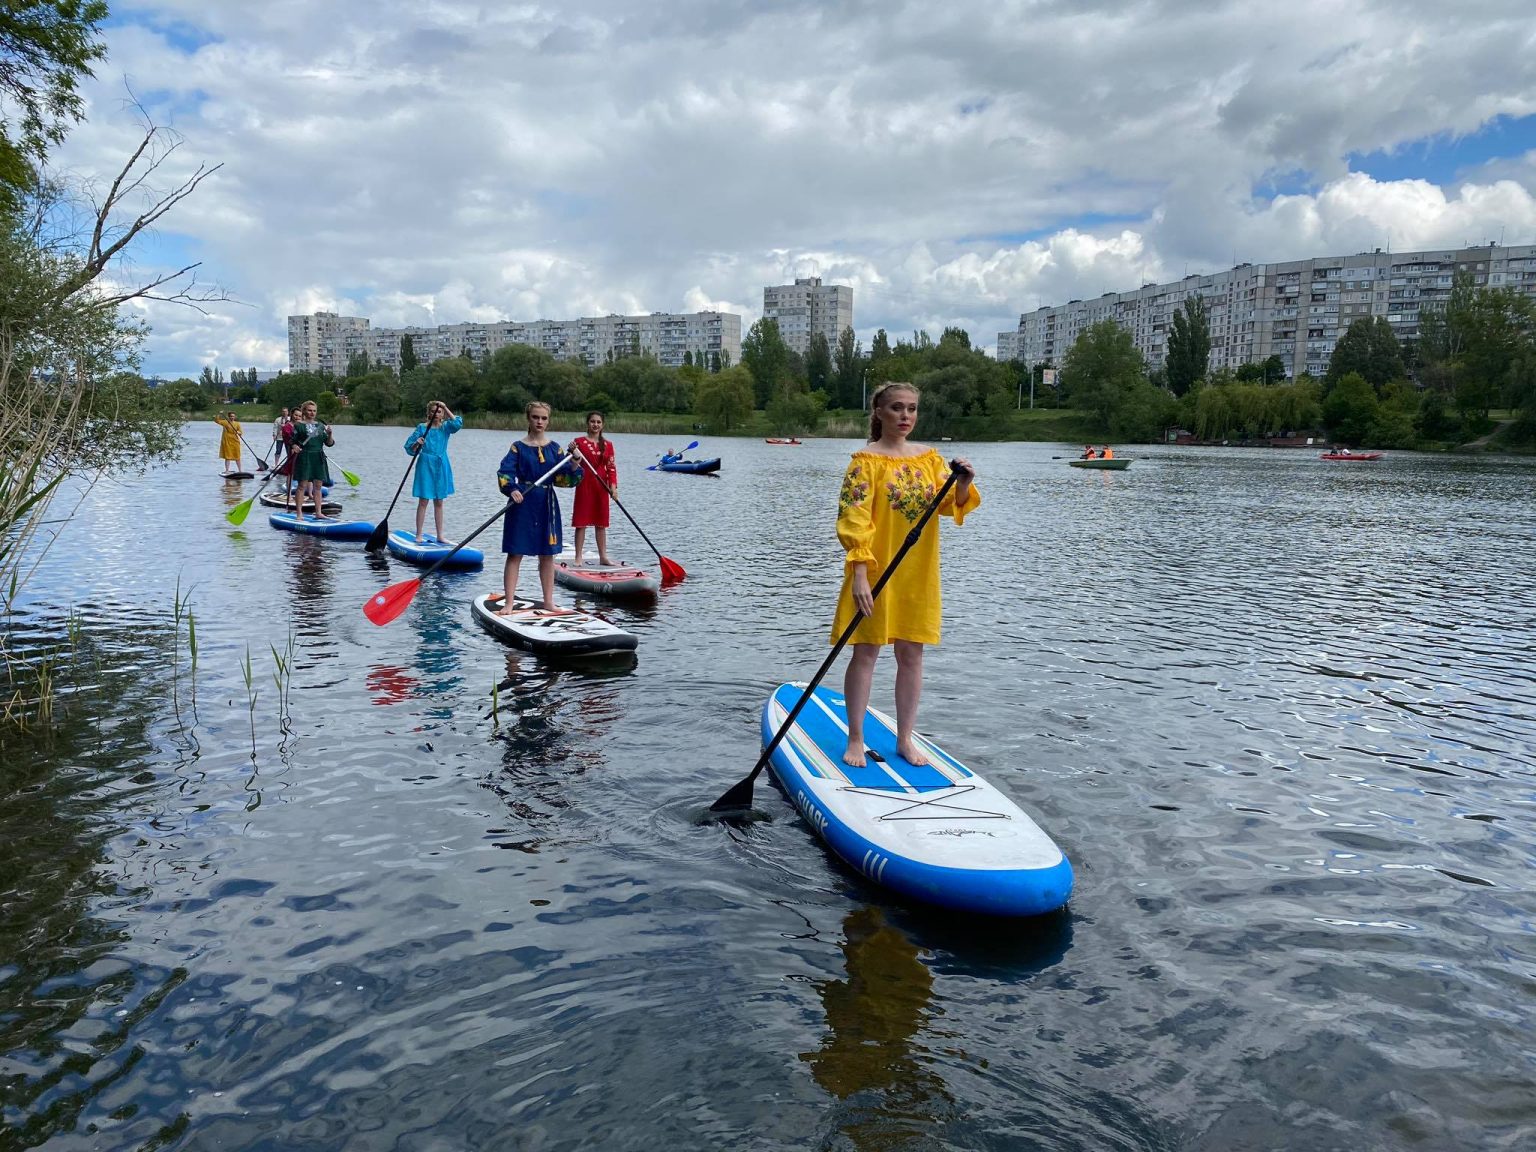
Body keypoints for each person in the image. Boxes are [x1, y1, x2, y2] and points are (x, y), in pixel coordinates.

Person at [832, 382, 978, 769]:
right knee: (866, 652)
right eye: (897, 408)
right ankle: (856, 738)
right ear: (878, 412)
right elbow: (853, 518)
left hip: (918, 570)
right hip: (876, 568)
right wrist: (860, 573)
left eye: (912, 409)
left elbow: (950, 506)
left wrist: (963, 481)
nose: (905, 416)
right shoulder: (864, 461)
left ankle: (905, 739)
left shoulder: (929, 459)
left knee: (912, 653)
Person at [496, 401, 581, 614]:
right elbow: (505, 472)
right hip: (522, 502)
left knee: (547, 554)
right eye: (535, 417)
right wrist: (512, 489)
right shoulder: (518, 447)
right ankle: (509, 602)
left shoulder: (555, 449)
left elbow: (565, 480)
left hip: (546, 503)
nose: (539, 421)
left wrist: (575, 463)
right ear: (529, 419)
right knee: (515, 553)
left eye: (543, 418)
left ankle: (548, 602)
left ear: (548, 420)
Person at [405, 400, 462, 543]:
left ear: (442, 415)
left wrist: (445, 406)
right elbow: (409, 448)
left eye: (439, 412)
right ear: (428, 414)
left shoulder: (445, 427)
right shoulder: (422, 428)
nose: (435, 414)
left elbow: (457, 424)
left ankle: (440, 535)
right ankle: (419, 534)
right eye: (433, 411)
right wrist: (417, 443)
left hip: (441, 464)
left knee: (439, 501)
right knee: (423, 500)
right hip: (425, 464)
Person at [570, 410, 619, 566]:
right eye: (592, 421)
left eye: (598, 422)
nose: (595, 425)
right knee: (581, 521)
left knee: (601, 522)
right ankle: (578, 556)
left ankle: (603, 556)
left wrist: (613, 487)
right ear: (587, 423)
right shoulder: (578, 442)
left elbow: (611, 468)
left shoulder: (608, 445)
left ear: (602, 424)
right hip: (584, 483)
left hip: (601, 485)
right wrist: (573, 453)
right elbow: (572, 465)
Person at [290, 401, 334, 520]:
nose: (312, 413)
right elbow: (292, 441)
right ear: (304, 411)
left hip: (318, 457)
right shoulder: (299, 426)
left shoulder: (320, 426)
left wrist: (330, 434)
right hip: (305, 456)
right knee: (302, 485)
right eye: (309, 410)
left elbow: (329, 443)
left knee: (318, 486)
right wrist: (295, 447)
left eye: (314, 411)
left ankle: (318, 512)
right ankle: (299, 514)